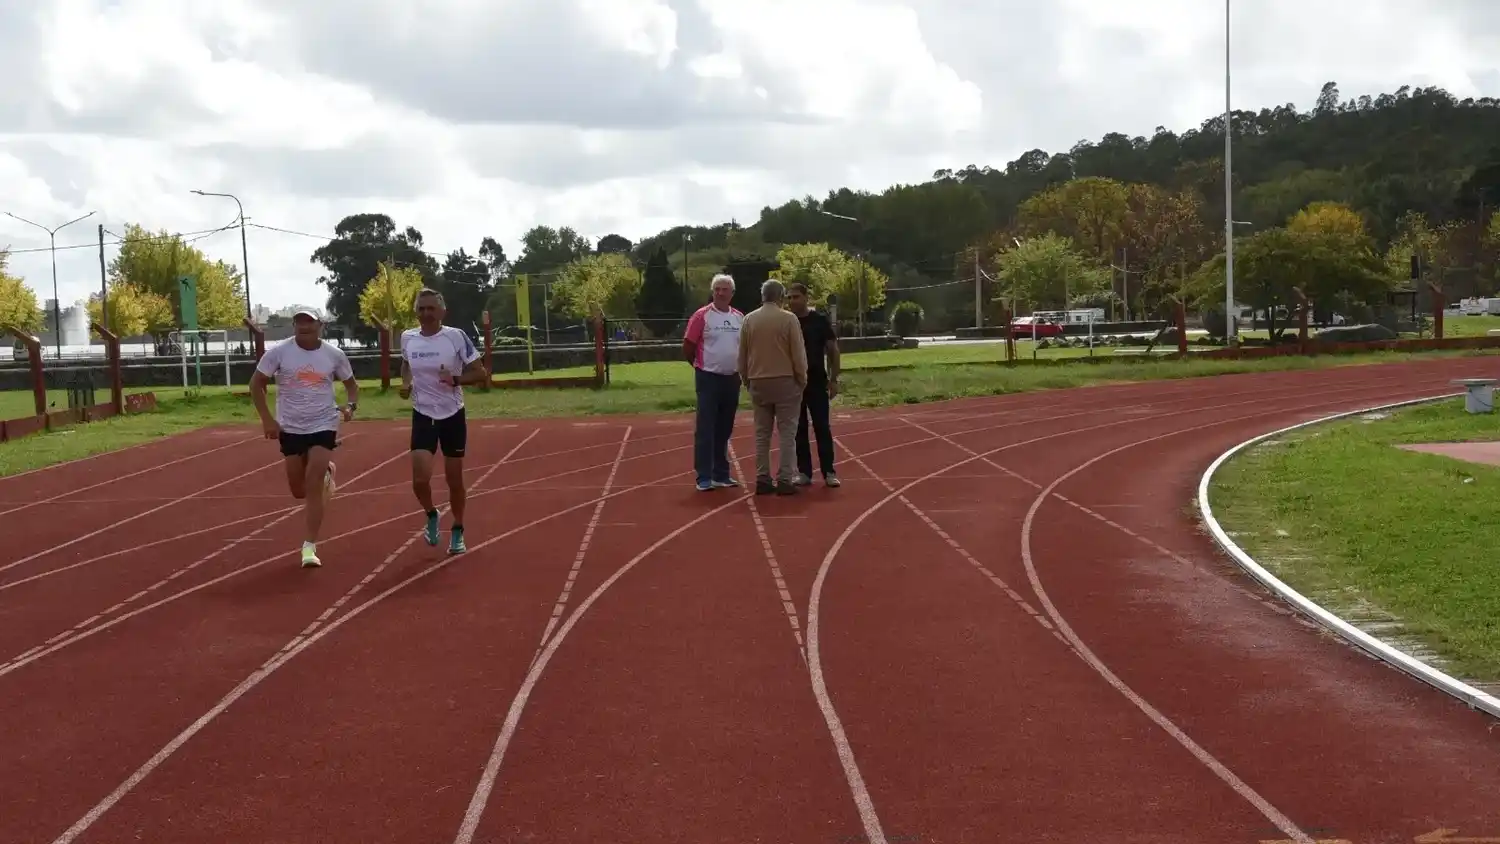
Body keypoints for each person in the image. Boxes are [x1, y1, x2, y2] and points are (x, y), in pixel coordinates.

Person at [248, 308, 359, 568]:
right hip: (290, 426)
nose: (304, 326)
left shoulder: (334, 355)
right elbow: (256, 384)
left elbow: (352, 386)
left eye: (309, 322)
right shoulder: (278, 352)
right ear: (294, 325)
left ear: (320, 325)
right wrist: (267, 419)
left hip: (323, 423)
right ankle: (328, 474)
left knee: (312, 484)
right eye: (299, 322)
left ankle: (309, 546)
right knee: (298, 490)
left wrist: (350, 407)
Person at [400, 288, 489, 554]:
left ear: (442, 312)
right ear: (416, 312)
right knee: (419, 479)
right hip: (423, 412)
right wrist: (406, 384)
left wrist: (457, 380)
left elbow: (481, 373)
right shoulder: (408, 337)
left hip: (452, 413)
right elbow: (405, 365)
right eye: (421, 309)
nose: (426, 314)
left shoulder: (455, 337)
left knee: (454, 479)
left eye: (431, 309)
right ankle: (431, 514)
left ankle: (458, 529)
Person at [737, 279, 808, 495]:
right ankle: (785, 478)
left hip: (758, 380)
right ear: (780, 297)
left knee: (762, 433)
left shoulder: (749, 320)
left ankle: (762, 478)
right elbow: (798, 353)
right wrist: (801, 378)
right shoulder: (788, 319)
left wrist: (746, 379)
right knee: (787, 433)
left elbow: (742, 355)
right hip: (785, 380)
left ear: (762, 296)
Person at [682, 273, 743, 492]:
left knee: (724, 428)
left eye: (724, 289)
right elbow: (688, 346)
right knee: (706, 427)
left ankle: (721, 474)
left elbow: (743, 348)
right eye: (716, 288)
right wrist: (701, 367)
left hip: (732, 378)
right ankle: (704, 476)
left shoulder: (739, 318)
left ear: (732, 293)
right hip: (708, 378)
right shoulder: (702, 316)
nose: (720, 292)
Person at [786, 283, 841, 487]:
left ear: (806, 298)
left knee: (821, 427)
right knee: (798, 428)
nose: (792, 301)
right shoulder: (786, 321)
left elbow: (832, 349)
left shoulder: (819, 320)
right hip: (793, 383)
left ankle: (829, 471)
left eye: (796, 297)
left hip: (817, 380)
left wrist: (834, 379)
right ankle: (804, 472)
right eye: (789, 297)